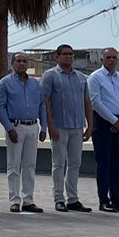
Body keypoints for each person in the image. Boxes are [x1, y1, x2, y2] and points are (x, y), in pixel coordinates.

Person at [41, 43, 92, 212]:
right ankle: (59, 198)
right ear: (57, 57)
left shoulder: (81, 78)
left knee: (75, 163)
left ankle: (73, 198)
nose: (69, 57)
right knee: (58, 163)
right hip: (59, 126)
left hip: (77, 126)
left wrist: (90, 125)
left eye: (71, 54)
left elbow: (87, 102)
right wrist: (49, 126)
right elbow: (45, 102)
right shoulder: (50, 76)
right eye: (65, 54)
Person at [88, 47, 119, 213]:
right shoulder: (95, 78)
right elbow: (96, 102)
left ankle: (117, 199)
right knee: (104, 163)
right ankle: (104, 200)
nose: (112, 60)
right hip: (103, 122)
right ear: (102, 60)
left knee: (117, 163)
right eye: (108, 57)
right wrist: (114, 121)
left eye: (114, 57)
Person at [0, 52, 46, 213]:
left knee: (30, 165)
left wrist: (43, 128)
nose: (22, 63)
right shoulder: (5, 83)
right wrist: (9, 128)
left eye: (25, 61)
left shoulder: (35, 84)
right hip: (15, 127)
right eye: (18, 61)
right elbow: (0, 107)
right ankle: (15, 200)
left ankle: (28, 200)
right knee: (14, 165)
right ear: (13, 63)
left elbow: (42, 106)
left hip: (32, 126)